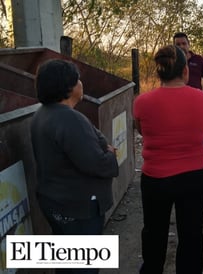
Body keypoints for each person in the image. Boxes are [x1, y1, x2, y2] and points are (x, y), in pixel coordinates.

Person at [31, 59, 119, 273]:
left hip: (56, 203)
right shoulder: (69, 119)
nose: (81, 83)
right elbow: (97, 162)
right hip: (78, 208)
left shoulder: (42, 114)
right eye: (78, 79)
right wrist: (110, 155)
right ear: (69, 87)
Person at [133, 45, 203, 274]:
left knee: (154, 233)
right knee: (192, 235)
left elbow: (142, 131)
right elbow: (202, 128)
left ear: (159, 73)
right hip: (194, 178)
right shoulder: (202, 100)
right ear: (185, 71)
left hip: (155, 180)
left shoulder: (142, 102)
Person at [173, 32, 203, 167]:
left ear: (189, 44)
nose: (181, 46)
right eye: (178, 44)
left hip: (196, 107)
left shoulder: (199, 60)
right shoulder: (172, 61)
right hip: (177, 107)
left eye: (184, 43)